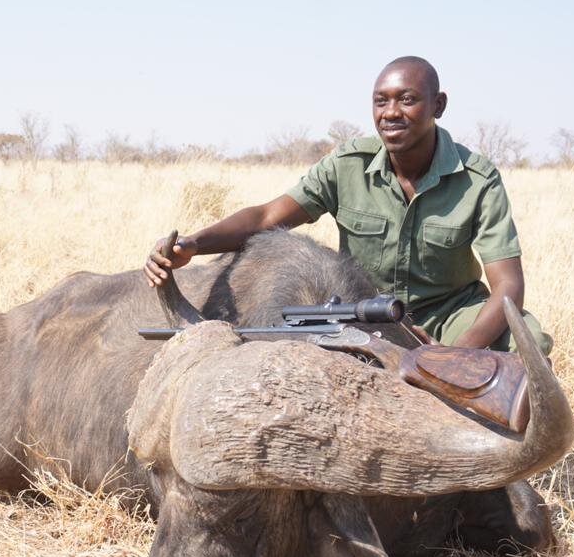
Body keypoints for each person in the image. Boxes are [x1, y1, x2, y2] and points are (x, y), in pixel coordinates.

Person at [143, 56, 551, 355]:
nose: (391, 113)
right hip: (363, 309)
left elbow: (508, 286)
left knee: (529, 341)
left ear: (438, 105)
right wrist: (194, 245)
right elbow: (268, 217)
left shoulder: (477, 178)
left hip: (449, 315)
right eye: (381, 101)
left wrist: (454, 355)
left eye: (407, 100)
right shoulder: (346, 164)